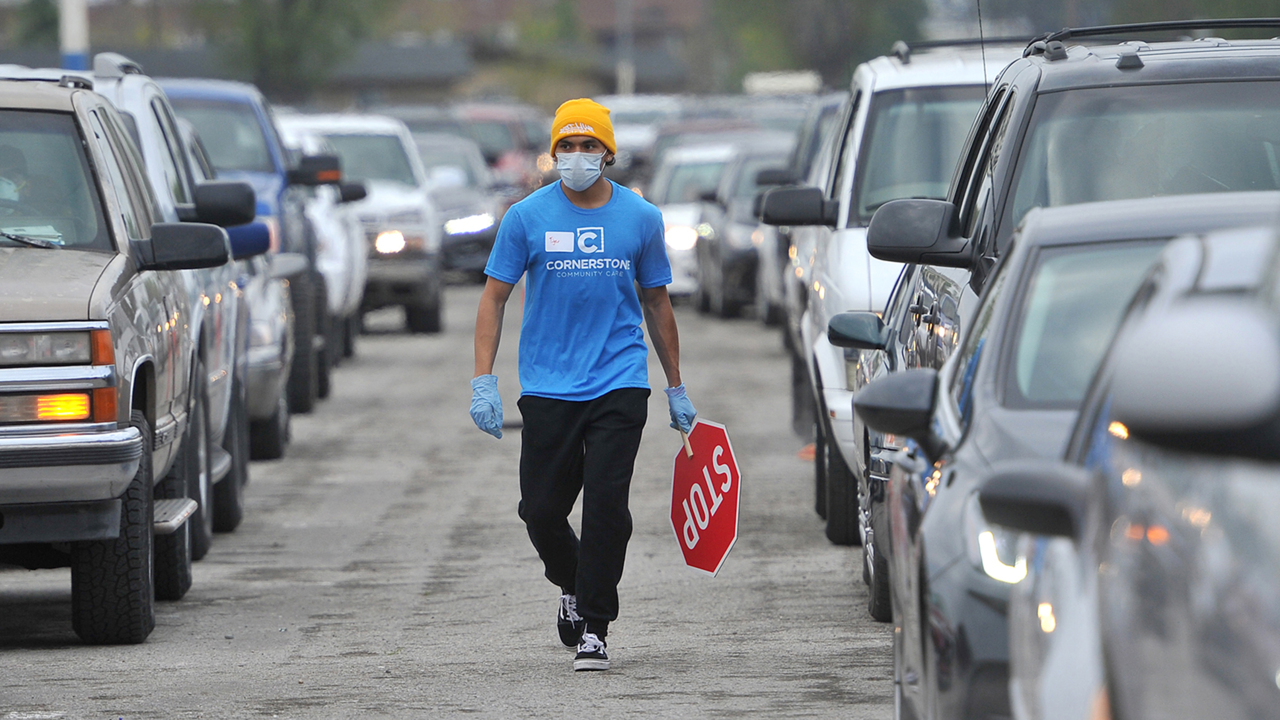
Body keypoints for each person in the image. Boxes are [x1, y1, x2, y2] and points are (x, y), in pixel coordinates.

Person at [470, 98, 696, 672]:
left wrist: (674, 385)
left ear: (608, 153)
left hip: (619, 381)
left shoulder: (640, 219)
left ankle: (595, 626)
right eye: (566, 147)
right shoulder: (526, 217)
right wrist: (483, 380)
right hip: (548, 384)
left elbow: (657, 302)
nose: (576, 157)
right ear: (552, 153)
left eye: (587, 146)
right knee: (541, 511)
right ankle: (572, 583)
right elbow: (493, 298)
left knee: (606, 506)